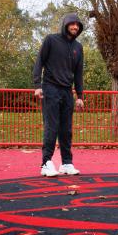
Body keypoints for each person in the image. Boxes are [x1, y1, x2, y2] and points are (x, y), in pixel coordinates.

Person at [32, 13, 85, 177]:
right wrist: (37, 85)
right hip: (50, 88)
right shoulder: (51, 40)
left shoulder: (78, 47)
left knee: (66, 129)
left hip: (67, 91)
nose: (75, 27)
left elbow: (78, 73)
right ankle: (46, 163)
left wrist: (80, 96)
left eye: (77, 25)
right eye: (72, 24)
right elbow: (39, 61)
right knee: (51, 126)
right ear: (65, 24)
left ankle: (66, 163)